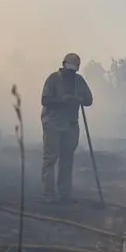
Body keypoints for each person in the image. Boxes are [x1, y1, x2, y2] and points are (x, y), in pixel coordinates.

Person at [40, 52, 94, 203]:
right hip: (53, 124)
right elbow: (45, 100)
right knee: (50, 159)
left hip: (71, 124)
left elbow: (89, 100)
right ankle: (48, 194)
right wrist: (62, 100)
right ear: (63, 65)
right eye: (68, 68)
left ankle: (65, 193)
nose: (70, 72)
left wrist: (79, 99)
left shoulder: (78, 81)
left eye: (73, 69)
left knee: (67, 159)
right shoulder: (53, 79)